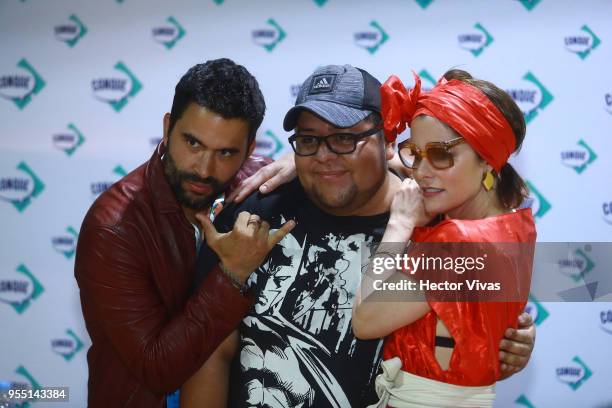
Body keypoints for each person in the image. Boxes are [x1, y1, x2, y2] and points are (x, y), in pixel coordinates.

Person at [180, 64, 536, 408]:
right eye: (309, 140)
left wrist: (509, 339)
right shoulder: (252, 213)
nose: (324, 154)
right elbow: (209, 352)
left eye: (344, 138)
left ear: (387, 141)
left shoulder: (437, 219)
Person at [74, 58, 290, 407]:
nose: (204, 168)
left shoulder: (257, 183)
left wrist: (301, 164)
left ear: (250, 150)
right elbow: (157, 369)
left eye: (225, 153)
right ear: (167, 127)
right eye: (192, 143)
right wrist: (232, 273)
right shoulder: (114, 227)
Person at [352, 69, 536, 407]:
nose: (421, 171)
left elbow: (364, 321)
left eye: (441, 154)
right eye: (415, 152)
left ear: (487, 159)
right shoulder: (518, 225)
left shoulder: (458, 241)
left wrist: (400, 224)